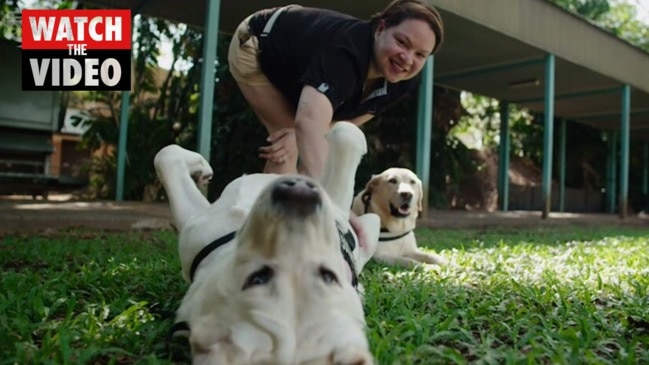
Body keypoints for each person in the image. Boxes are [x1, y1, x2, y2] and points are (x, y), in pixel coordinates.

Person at [227, 0, 444, 246]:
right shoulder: (346, 49)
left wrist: (305, 135)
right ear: (381, 28)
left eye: (420, 55)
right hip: (258, 42)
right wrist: (333, 203)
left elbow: (356, 117)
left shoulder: (403, 78)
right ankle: (269, 242)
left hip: (300, 72)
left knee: (297, 139)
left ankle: (285, 233)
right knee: (287, 143)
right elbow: (308, 121)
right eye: (402, 42)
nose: (407, 58)